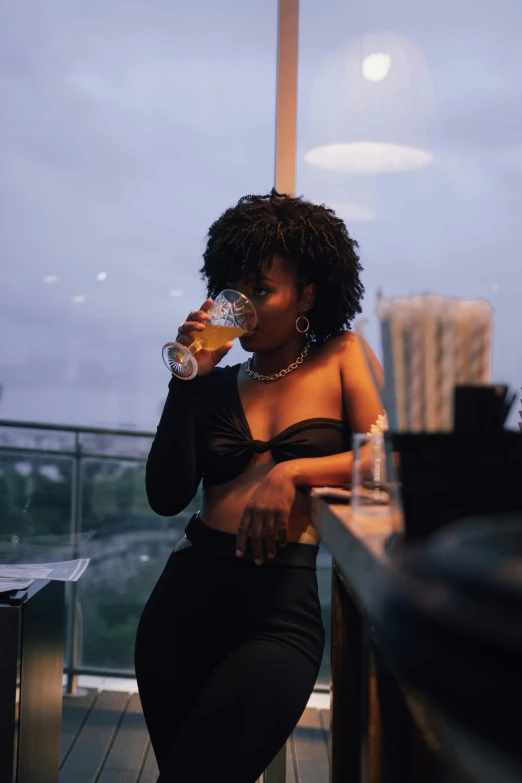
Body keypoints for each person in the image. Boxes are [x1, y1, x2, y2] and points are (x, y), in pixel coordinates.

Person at [134, 189, 384, 782]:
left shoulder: (343, 355)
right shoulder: (216, 385)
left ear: (306, 294)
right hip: (182, 604)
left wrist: (293, 472)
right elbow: (166, 497)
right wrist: (186, 383)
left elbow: (385, 459)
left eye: (262, 292)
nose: (244, 306)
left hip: (277, 615)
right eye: (234, 290)